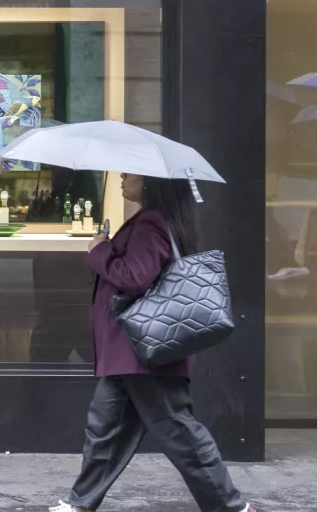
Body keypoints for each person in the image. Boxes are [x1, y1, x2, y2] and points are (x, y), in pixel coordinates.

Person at [50, 173, 255, 512]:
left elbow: (134, 277)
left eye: (129, 174)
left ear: (149, 182)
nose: (120, 178)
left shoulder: (151, 223)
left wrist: (99, 250)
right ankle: (81, 504)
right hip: (129, 351)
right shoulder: (154, 220)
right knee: (104, 430)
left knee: (179, 432)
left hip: (144, 352)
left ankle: (232, 507)